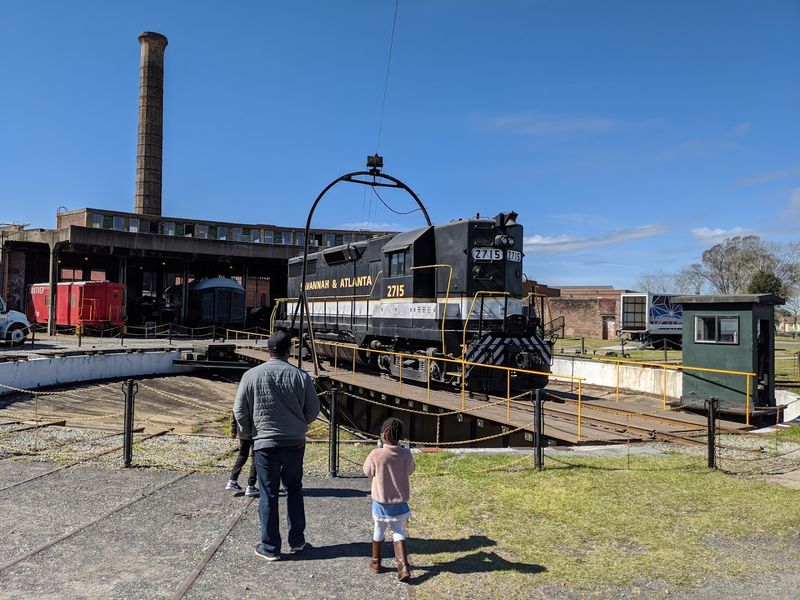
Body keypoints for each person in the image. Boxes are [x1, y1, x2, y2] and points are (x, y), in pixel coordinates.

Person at [233, 330, 320, 562]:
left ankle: (270, 547)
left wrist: (251, 433)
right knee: (294, 489)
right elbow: (314, 410)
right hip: (294, 443)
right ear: (289, 351)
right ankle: (297, 540)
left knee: (268, 493)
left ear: (267, 350)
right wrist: (299, 425)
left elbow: (239, 410)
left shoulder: (251, 375)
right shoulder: (301, 376)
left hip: (264, 444)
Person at [362, 417, 415, 582]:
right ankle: (403, 566)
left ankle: (376, 562)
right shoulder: (406, 453)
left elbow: (367, 471)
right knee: (398, 530)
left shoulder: (376, 454)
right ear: (400, 436)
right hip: (399, 502)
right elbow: (411, 470)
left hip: (381, 501)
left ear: (383, 435)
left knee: (379, 528)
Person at [225, 412, 259, 497]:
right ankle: (251, 486)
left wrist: (233, 429)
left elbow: (235, 411)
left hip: (242, 431)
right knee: (255, 458)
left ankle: (232, 480)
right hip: (255, 431)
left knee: (242, 455)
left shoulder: (240, 398)